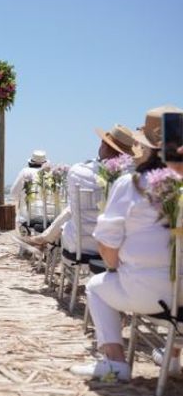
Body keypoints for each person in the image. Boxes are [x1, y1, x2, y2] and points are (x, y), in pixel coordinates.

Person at [70, 105, 183, 381]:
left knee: (96, 287)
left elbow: (107, 246)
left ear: (147, 148)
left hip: (145, 294)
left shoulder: (131, 184)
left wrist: (116, 267)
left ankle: (115, 362)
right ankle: (172, 358)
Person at [22, 125, 137, 259]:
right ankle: (42, 239)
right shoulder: (131, 179)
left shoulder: (78, 171)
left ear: (103, 143)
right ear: (126, 153)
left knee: (72, 209)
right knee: (73, 209)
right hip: (118, 247)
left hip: (79, 244)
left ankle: (43, 239)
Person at [10, 150, 48, 227]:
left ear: (31, 162)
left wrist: (20, 198)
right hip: (48, 215)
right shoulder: (50, 173)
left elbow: (13, 193)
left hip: (27, 215)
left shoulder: (25, 172)